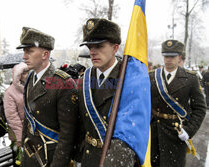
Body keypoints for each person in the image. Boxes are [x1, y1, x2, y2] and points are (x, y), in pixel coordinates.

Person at [16, 27, 78, 167]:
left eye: (29, 51)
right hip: (31, 152)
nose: (24, 56)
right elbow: (28, 118)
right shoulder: (30, 77)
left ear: (45, 54)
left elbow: (67, 134)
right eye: (24, 51)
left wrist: (57, 164)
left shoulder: (63, 82)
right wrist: (24, 144)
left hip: (49, 156)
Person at [78, 18, 136, 167]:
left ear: (115, 48)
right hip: (88, 158)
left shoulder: (131, 78)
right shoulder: (86, 77)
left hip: (115, 159)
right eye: (90, 46)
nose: (92, 52)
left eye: (99, 46)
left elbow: (134, 130)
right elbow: (79, 124)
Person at [149, 39, 206, 167]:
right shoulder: (151, 77)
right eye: (166, 56)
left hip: (176, 134)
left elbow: (200, 109)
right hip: (154, 132)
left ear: (180, 57)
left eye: (172, 56)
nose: (168, 59)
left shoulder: (190, 79)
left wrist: (189, 130)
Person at [3, 62, 29, 166]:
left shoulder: (31, 87)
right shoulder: (10, 92)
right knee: (20, 161)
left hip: (32, 131)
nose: (26, 75)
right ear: (17, 75)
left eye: (27, 72)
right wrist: (19, 137)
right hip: (18, 132)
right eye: (23, 73)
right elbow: (12, 117)